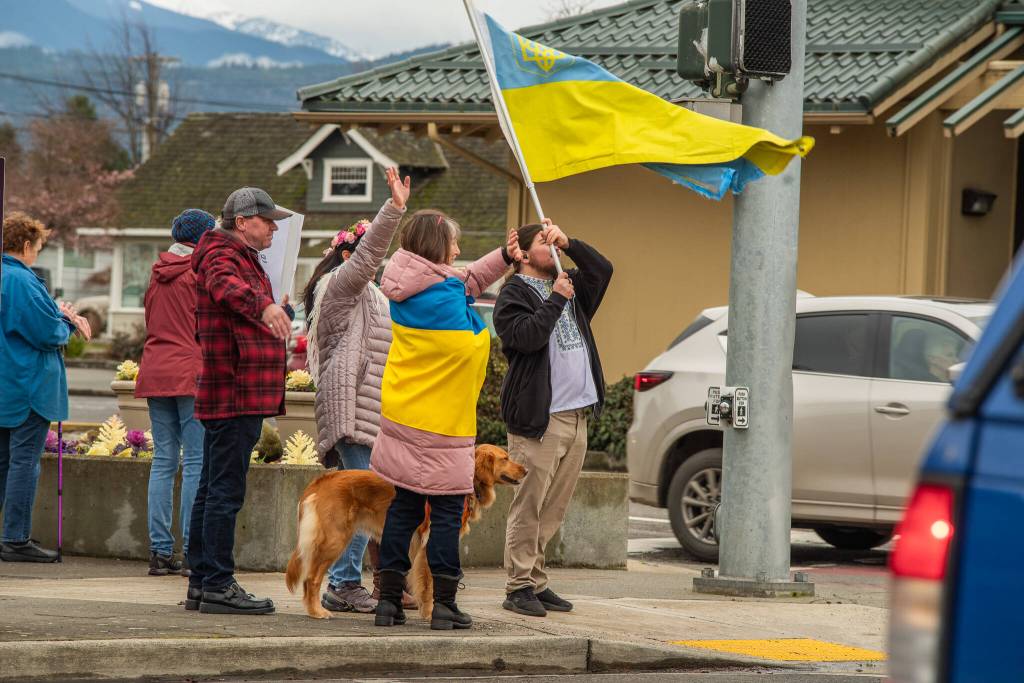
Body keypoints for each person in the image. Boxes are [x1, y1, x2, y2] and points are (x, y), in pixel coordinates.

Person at [371, 210, 521, 630]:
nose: (457, 250)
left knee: (402, 508)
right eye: (453, 243)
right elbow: (471, 344)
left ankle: (387, 603)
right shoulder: (442, 297)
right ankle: (445, 606)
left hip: (403, 415)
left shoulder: (412, 283)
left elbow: (466, 280)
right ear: (437, 248)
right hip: (443, 425)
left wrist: (505, 257)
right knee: (447, 515)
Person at [303, 167, 416, 614]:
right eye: (360, 258)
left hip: (372, 409)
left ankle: (362, 581)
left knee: (367, 499)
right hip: (352, 410)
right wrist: (394, 210)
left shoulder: (374, 297)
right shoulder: (339, 288)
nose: (370, 266)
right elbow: (367, 260)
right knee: (360, 500)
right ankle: (343, 583)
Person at [494, 219, 613, 617]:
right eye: (546, 244)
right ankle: (518, 586)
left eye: (554, 243)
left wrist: (571, 241)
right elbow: (525, 338)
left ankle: (536, 581)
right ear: (524, 254)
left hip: (576, 415)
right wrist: (557, 299)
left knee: (554, 508)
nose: (555, 251)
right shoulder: (513, 293)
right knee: (529, 505)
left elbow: (603, 270)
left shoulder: (570, 283)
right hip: (540, 420)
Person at [185, 188, 292, 615]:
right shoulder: (222, 253)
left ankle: (201, 581)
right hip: (235, 391)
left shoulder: (235, 253)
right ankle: (217, 583)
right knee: (224, 492)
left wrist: (269, 306)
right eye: (268, 220)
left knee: (212, 489)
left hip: (235, 390)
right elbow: (225, 286)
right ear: (243, 220)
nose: (274, 227)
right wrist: (264, 306)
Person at [0, 211, 91, 562]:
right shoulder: (22, 280)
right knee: (25, 462)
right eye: (38, 248)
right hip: (28, 387)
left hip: (7, 384)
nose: (38, 254)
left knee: (3, 462)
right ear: (25, 245)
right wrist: (65, 321)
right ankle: (15, 538)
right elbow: (46, 332)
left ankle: (9, 534)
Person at [136, 209, 215, 577]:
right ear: (202, 239)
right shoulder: (198, 275)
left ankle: (159, 551)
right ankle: (191, 550)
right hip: (191, 372)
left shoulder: (157, 274)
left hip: (155, 368)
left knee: (164, 460)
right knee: (196, 460)